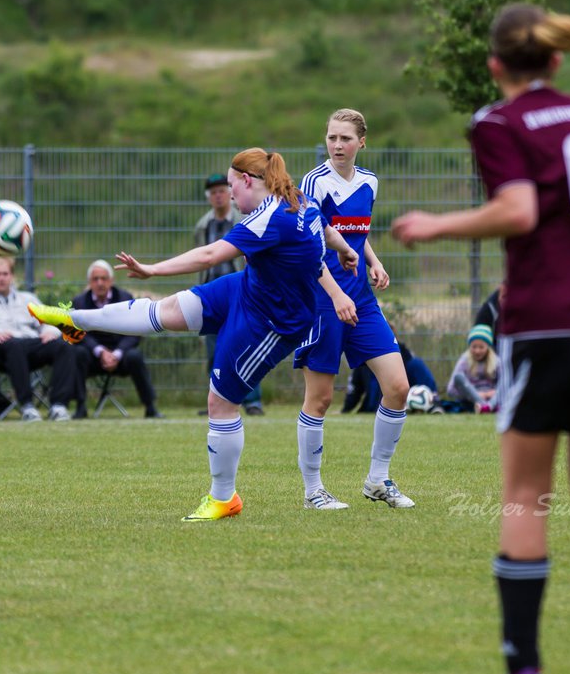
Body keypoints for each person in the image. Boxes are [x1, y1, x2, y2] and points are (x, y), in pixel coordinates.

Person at [391, 3, 570, 674]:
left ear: (495, 66)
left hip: (544, 327)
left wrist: (435, 225)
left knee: (524, 494)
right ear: (556, 61)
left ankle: (523, 670)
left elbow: (517, 211)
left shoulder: (496, 123)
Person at [30, 148, 360, 522]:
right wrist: (347, 249)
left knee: (219, 402)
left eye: (232, 186)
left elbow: (208, 256)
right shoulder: (299, 199)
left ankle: (224, 498)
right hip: (246, 289)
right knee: (164, 311)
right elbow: (326, 230)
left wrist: (152, 270)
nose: (231, 195)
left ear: (247, 181)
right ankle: (75, 319)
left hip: (272, 321)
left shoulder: (270, 217)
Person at [293, 108, 413, 511]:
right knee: (321, 398)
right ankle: (313, 491)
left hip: (361, 299)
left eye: (345, 138)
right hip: (322, 299)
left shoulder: (369, 182)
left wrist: (373, 261)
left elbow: (356, 233)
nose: (337, 145)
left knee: (398, 387)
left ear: (363, 141)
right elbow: (309, 245)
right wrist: (335, 294)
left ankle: (377, 480)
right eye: (331, 138)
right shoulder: (314, 182)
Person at [0, 255, 77, 422]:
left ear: (12, 276)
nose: (2, 278)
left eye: (5, 274)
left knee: (63, 346)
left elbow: (48, 319)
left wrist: (50, 331)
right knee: (14, 345)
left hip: (32, 343)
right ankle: (27, 406)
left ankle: (59, 406)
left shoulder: (27, 299)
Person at [194, 172, 263, 415]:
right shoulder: (203, 226)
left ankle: (252, 401)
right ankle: (217, 398)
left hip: (241, 290)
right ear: (209, 197)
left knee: (246, 345)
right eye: (213, 193)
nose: (219, 196)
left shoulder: (245, 220)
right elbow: (201, 257)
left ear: (231, 192)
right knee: (214, 350)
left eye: (223, 190)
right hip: (212, 292)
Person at [70, 259, 160, 419]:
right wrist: (100, 352)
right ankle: (80, 406)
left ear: (111, 281)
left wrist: (117, 354)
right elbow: (80, 333)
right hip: (93, 356)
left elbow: (135, 331)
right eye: (95, 279)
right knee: (78, 353)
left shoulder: (125, 298)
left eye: (104, 278)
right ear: (89, 282)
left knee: (135, 356)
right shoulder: (80, 302)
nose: (100, 283)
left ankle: (150, 407)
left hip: (121, 355)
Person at [448, 324, 500, 413]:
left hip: (493, 398)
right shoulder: (464, 360)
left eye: (481, 347)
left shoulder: (497, 361)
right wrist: (474, 395)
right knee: (458, 377)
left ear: (488, 347)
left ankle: (487, 407)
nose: (477, 351)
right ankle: (486, 407)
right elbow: (451, 390)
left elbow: (506, 385)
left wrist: (490, 393)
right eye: (474, 347)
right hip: (472, 401)